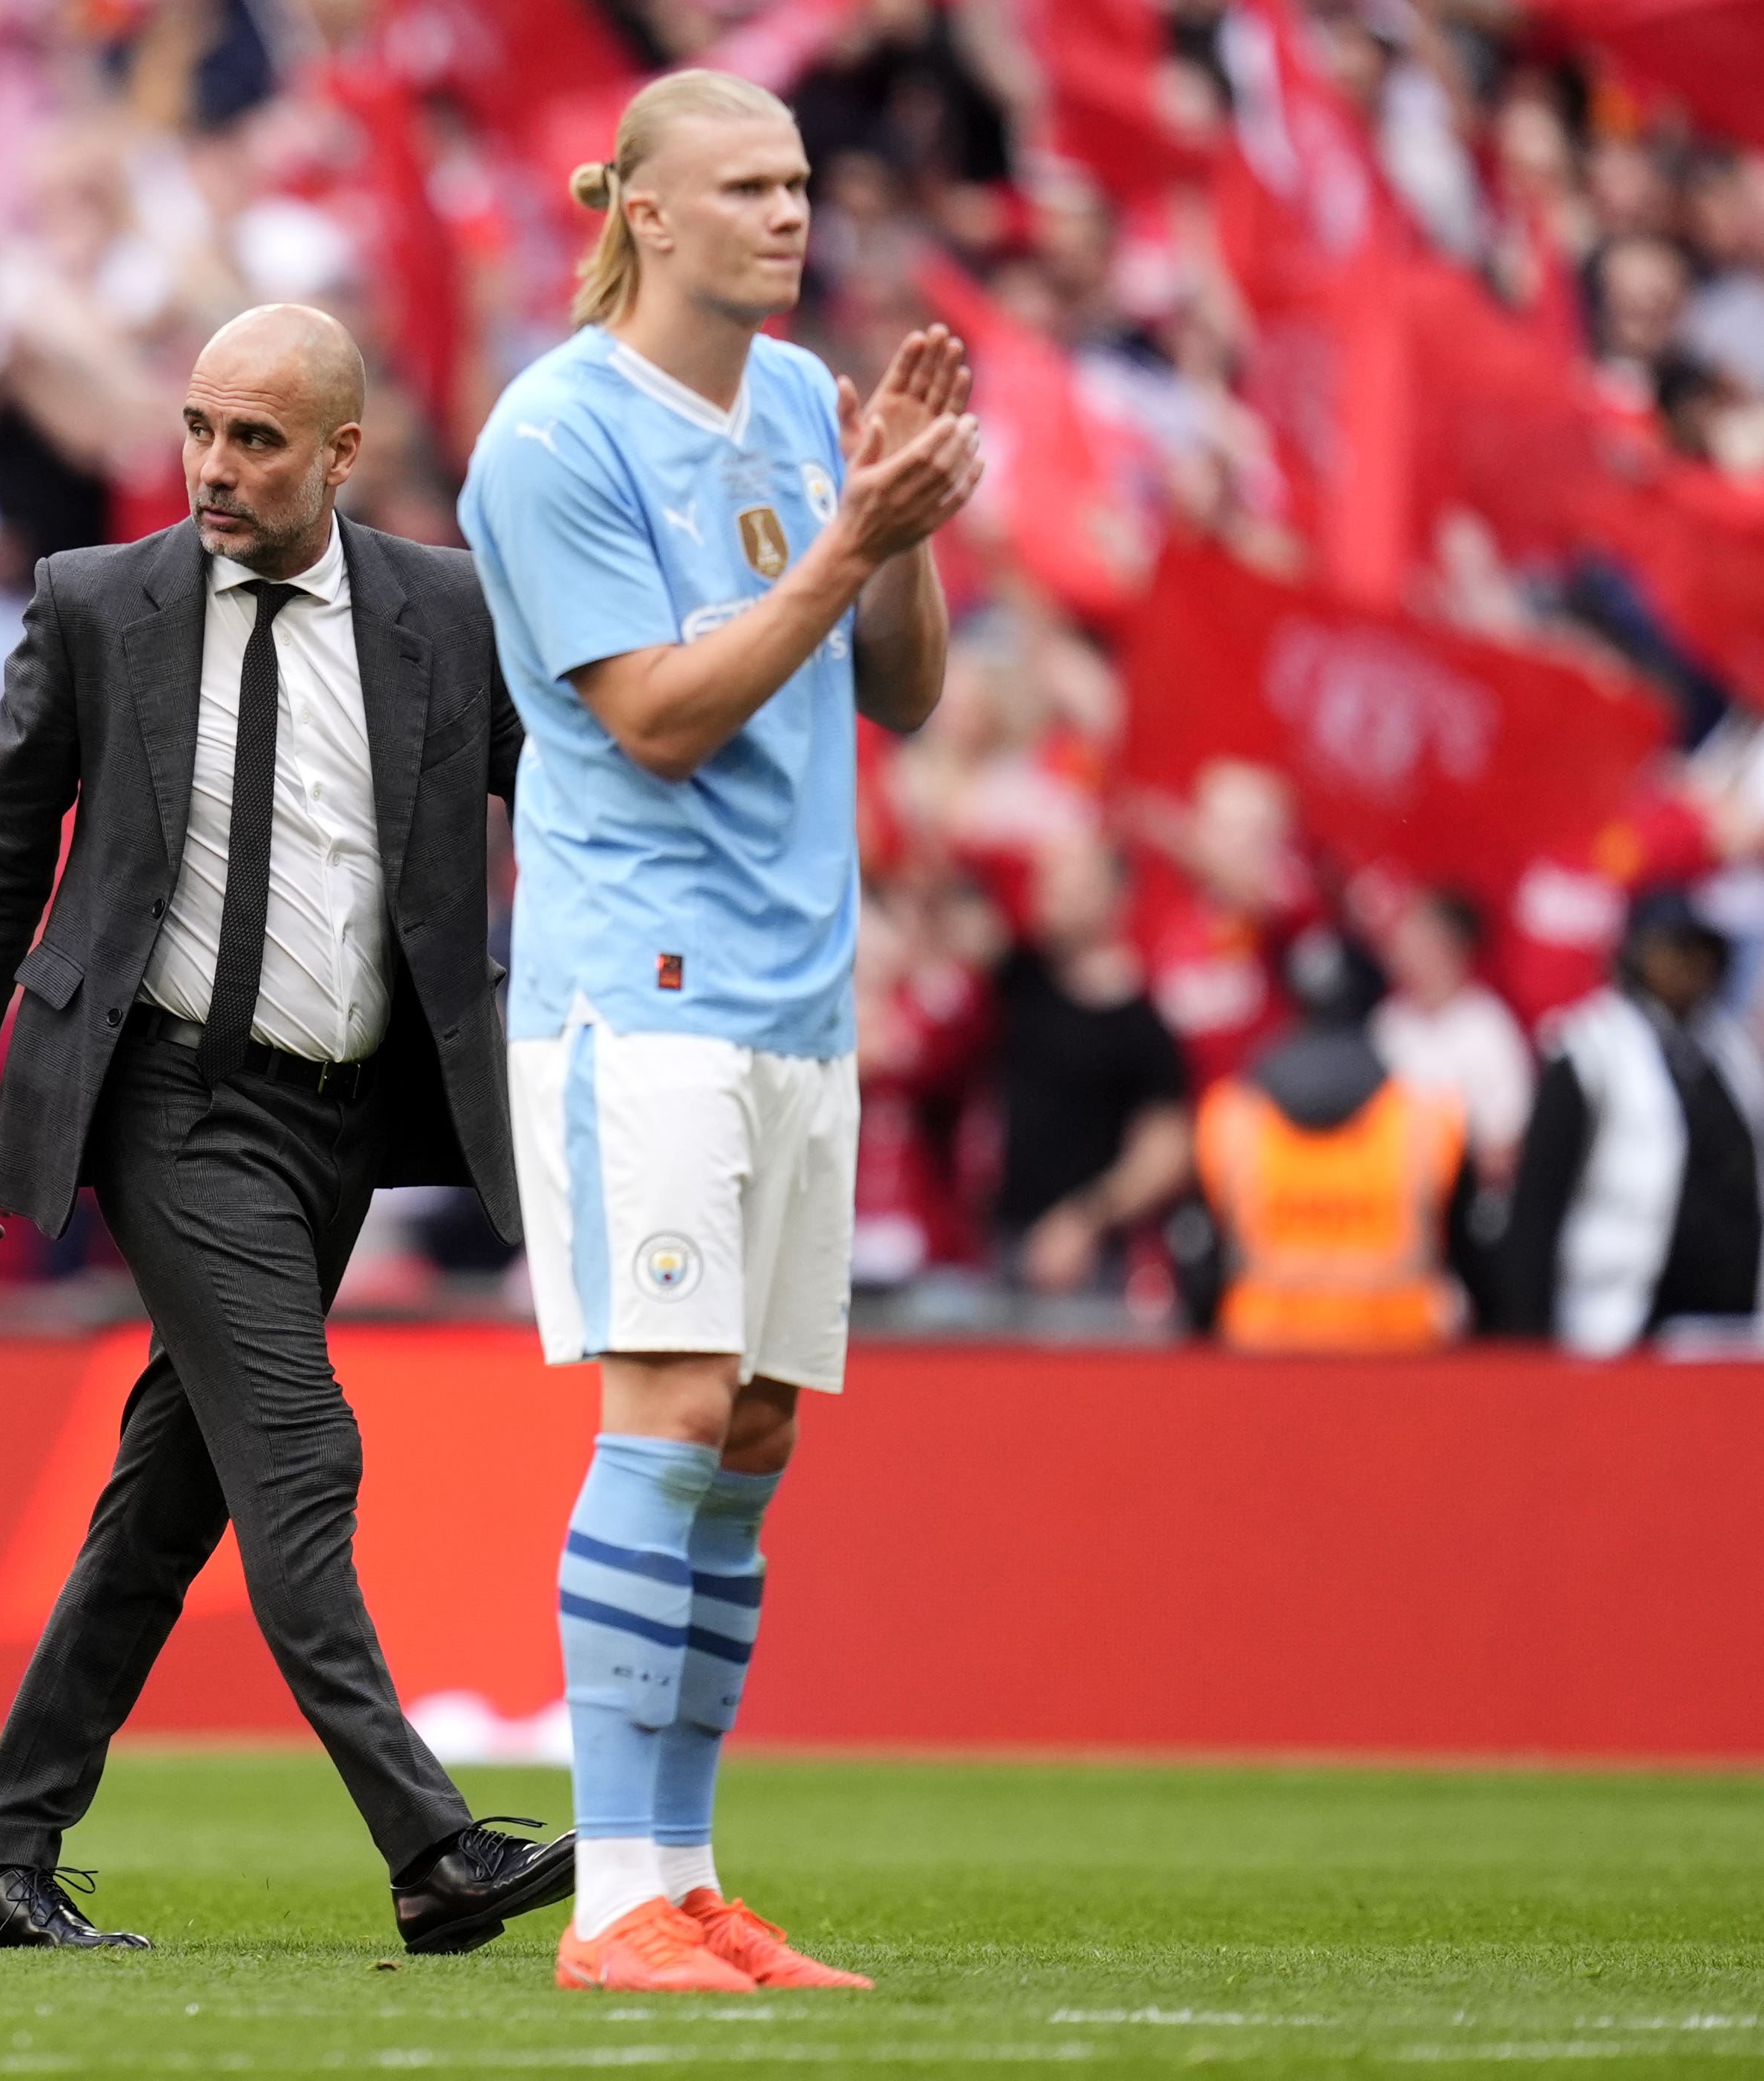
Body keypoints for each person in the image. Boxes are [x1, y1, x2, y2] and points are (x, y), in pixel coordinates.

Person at [0, 305, 567, 1955]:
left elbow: (568, 802)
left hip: (342, 1118)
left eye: (256, 438)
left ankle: (6, 1858)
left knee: (166, 1506)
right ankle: (428, 1841)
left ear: (345, 454)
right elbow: (3, 845)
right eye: (201, 426)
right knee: (304, 1445)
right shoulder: (96, 601)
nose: (213, 464)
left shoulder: (447, 613)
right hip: (167, 1095)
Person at [459, 69, 981, 1995]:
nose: (790, 213)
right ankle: (605, 1902)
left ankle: (683, 1878)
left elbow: (901, 695)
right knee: (665, 1407)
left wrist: (899, 520)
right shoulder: (552, 433)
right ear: (646, 213)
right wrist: (842, 543)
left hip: (791, 993)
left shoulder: (787, 403)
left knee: (747, 1432)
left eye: (801, 182)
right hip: (642, 992)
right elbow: (656, 714)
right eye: (748, 186)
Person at [1497, 887, 1764, 1355]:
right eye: (1671, 948)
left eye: (1699, 950)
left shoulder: (1732, 1053)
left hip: (1730, 1324)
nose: (1687, 965)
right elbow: (1538, 1203)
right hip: (1616, 1318)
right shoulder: (1589, 1048)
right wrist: (1529, 1334)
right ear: (1636, 955)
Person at [1195, 929, 1469, 1352]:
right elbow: (1473, 1258)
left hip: (1264, 1364)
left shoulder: (1231, 1116)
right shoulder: (1427, 1119)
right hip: (1399, 1364)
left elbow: (1201, 1264)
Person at [995, 837, 1197, 1296]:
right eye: (1048, 885)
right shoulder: (1019, 980)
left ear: (1116, 900)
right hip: (1000, 1244)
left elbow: (1167, 1150)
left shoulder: (1143, 1026)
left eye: (1071, 888)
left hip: (1095, 1261)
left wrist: (1086, 1220)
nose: (1050, 899)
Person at [1370, 887, 1533, 1186]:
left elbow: (1505, 1144)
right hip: (1385, 1195)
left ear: (1447, 947)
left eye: (1415, 935)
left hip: (1460, 1195)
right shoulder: (1387, 1022)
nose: (1399, 946)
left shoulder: (1487, 1027)